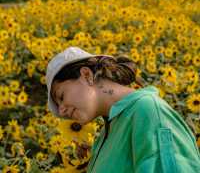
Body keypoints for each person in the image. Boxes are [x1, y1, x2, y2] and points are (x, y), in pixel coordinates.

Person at [46, 46, 200, 173]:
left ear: (86, 75)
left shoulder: (147, 111)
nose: (61, 111)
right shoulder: (107, 132)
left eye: (61, 96)